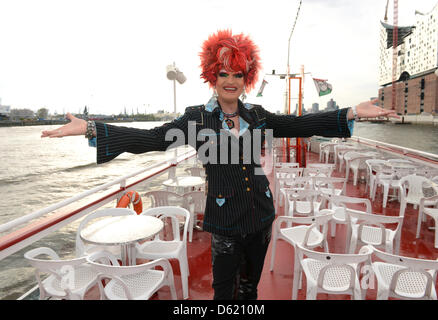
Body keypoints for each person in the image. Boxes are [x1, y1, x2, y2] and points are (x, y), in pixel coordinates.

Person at [41, 29, 398, 300]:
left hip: (261, 215)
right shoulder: (195, 119)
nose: (230, 81)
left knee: (250, 287)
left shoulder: (257, 115)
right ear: (213, 76)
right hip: (225, 221)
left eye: (238, 74)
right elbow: (150, 139)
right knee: (224, 289)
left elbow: (298, 124)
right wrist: (90, 127)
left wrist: (350, 112)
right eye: (224, 73)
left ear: (247, 80)